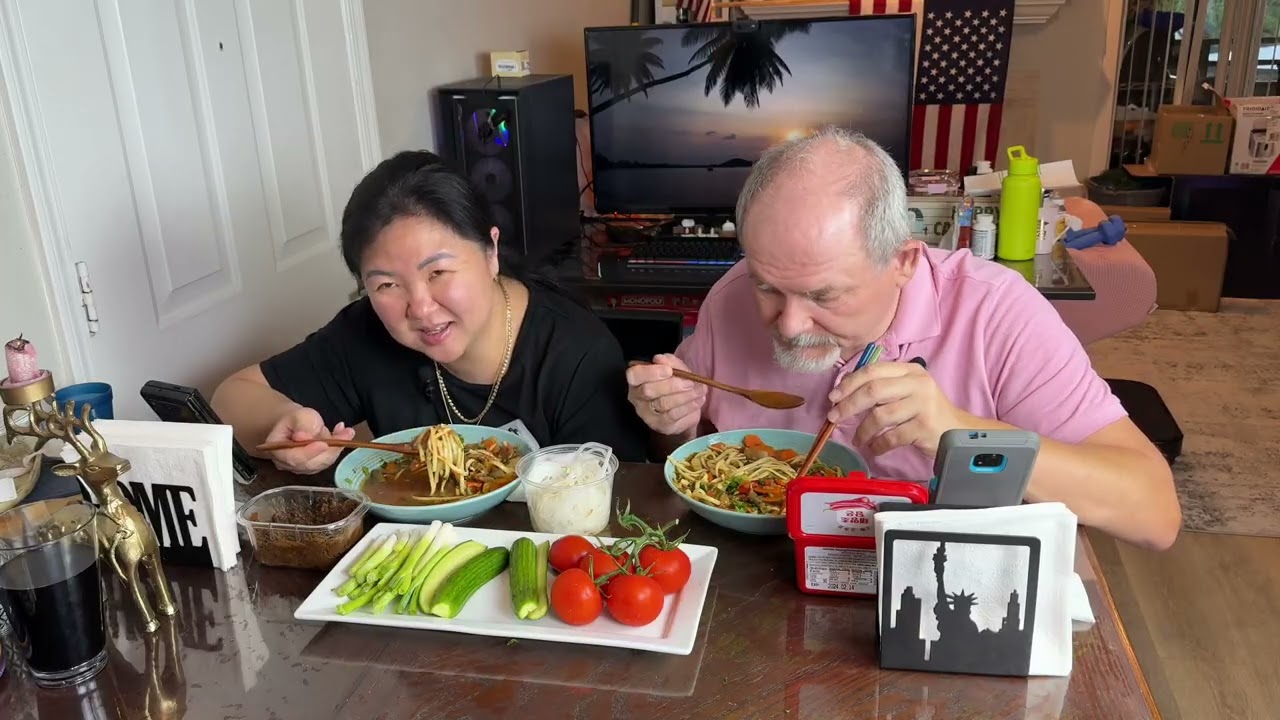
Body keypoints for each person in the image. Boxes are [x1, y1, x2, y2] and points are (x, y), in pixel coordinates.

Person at [625, 128, 1181, 550]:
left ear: (904, 262)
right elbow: (688, 460)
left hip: (947, 578)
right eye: (769, 287)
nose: (789, 324)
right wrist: (673, 425)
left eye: (824, 296)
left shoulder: (997, 313)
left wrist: (961, 433)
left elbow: (1154, 511)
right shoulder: (732, 296)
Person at [212, 150, 647, 473]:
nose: (420, 307)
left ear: (491, 250)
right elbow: (233, 396)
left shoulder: (576, 353)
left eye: (438, 271)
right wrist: (282, 424)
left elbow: (611, 503)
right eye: (387, 284)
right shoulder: (367, 332)